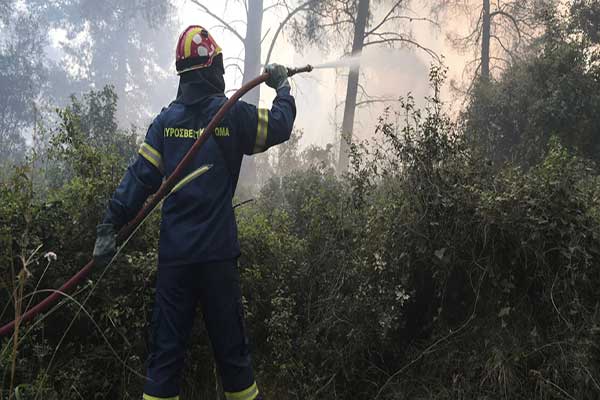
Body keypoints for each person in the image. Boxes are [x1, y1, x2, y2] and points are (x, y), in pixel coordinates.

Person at [92, 25, 296, 400]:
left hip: (176, 260)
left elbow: (139, 177)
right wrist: (282, 88)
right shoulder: (232, 116)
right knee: (234, 360)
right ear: (211, 68)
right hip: (218, 257)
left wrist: (110, 223)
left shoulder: (166, 123)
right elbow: (279, 125)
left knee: (164, 360)